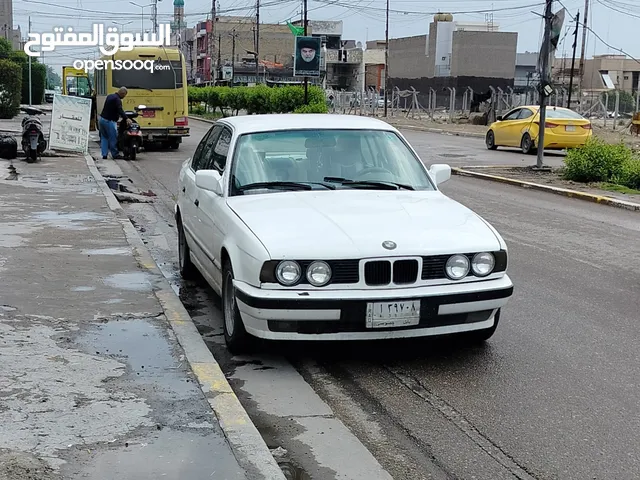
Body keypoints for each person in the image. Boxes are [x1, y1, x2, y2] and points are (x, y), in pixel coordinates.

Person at [99, 86, 131, 160]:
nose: (124, 97)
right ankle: (115, 154)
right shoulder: (117, 100)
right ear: (122, 93)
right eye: (124, 95)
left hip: (102, 120)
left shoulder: (110, 96)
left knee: (104, 137)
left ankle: (104, 154)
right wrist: (126, 118)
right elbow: (120, 110)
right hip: (109, 121)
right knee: (113, 138)